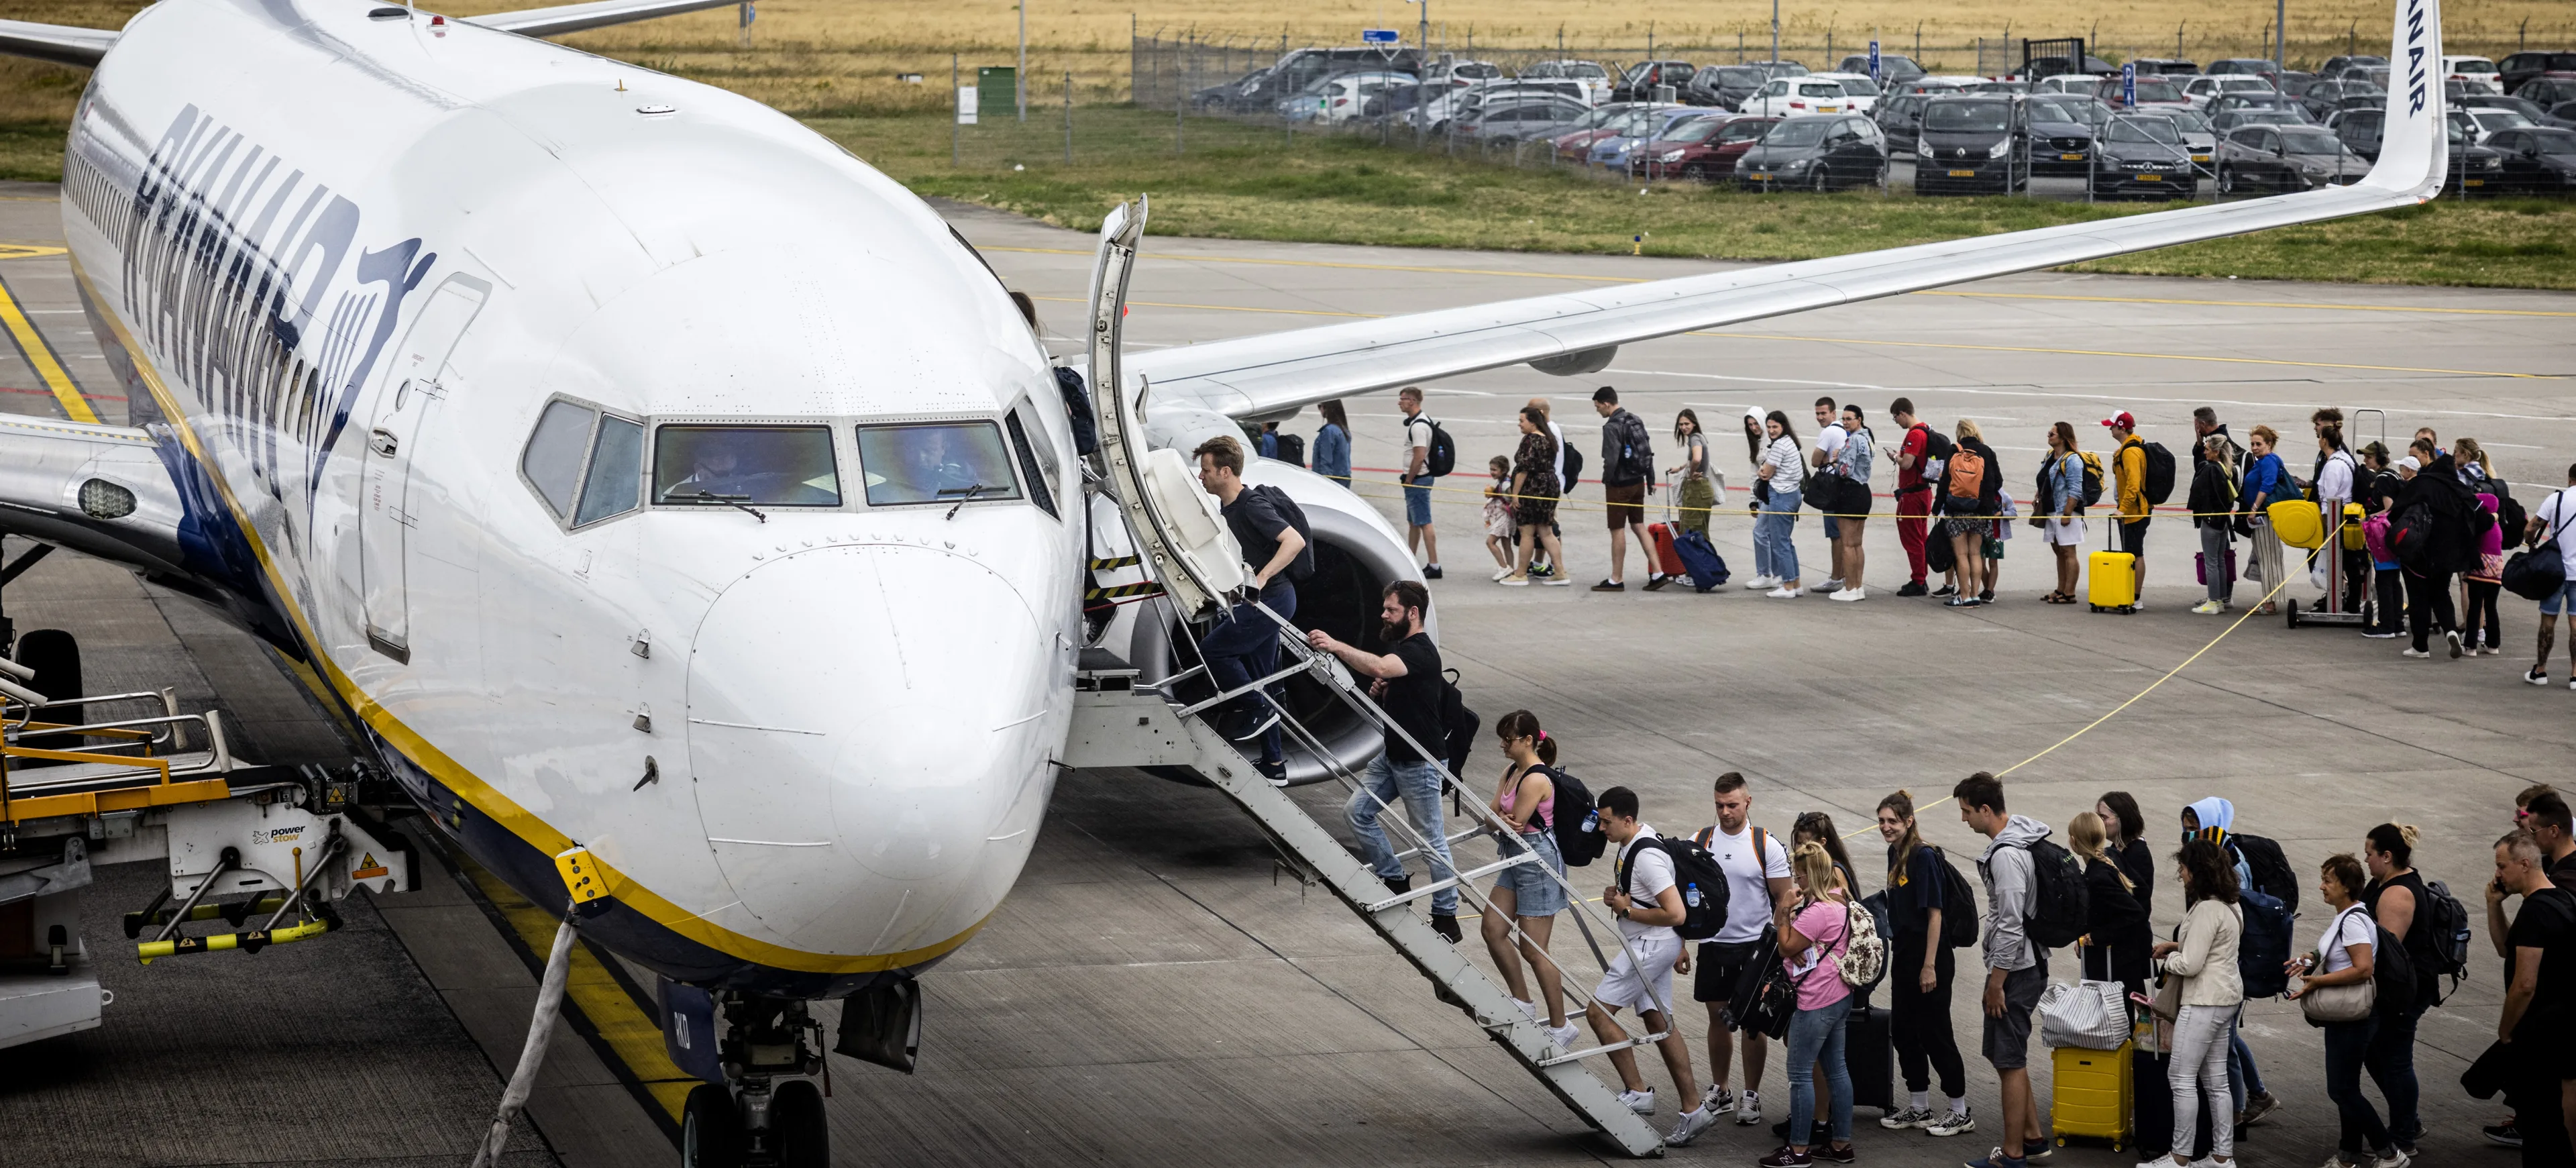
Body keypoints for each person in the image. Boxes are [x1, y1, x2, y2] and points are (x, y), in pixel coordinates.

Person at [1308, 582, 1461, 942]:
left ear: (1413, 613)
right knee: (1356, 813)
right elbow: (1405, 697)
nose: (1384, 615)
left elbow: (1378, 664)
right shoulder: (1406, 651)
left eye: (1391, 610)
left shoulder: (1421, 650)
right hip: (1393, 756)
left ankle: (1446, 914)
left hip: (1420, 762)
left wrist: (1335, 646)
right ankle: (1393, 877)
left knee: (1431, 841)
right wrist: (1385, 695)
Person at [1584, 786, 1721, 1147]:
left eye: (1607, 822)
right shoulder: (1632, 844)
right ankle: (1693, 1110)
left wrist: (1627, 911)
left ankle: (1637, 1091)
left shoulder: (1646, 857)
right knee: (1659, 1021)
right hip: (1653, 942)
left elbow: (1675, 912)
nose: (1602, 828)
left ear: (1628, 820)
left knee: (1598, 1014)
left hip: (1649, 945)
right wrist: (1622, 899)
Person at [1193, 436, 1307, 782]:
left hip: (1272, 599)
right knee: (1263, 678)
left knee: (1214, 650)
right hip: (1263, 599)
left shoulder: (1251, 505)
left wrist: (1262, 576)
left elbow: (1295, 541)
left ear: (1225, 472)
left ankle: (1257, 710)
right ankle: (1275, 765)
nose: (1201, 477)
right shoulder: (1229, 509)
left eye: (1207, 470)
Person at [2287, 853, 2408, 1168]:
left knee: (2342, 1090)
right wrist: (2310, 958)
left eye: (2328, 881)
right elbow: (2338, 954)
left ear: (2346, 886)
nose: (2321, 887)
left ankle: (2390, 1153)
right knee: (2347, 1090)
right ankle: (2349, 1155)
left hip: (2353, 1020)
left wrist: (2318, 982)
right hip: (2346, 1018)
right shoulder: (2349, 916)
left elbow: (2363, 968)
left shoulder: (2353, 920)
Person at [1956, 772, 2050, 1168]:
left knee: (2010, 1060)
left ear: (1986, 810)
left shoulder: (2007, 856)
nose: (1964, 820)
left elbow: (2011, 924)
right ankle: (2032, 1140)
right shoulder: (2019, 839)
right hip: (2024, 965)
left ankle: (2012, 1156)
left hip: (2017, 970)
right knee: (2007, 1056)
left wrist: (1997, 983)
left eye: (1966, 812)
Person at [1691, 772, 1796, 1128]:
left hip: (1755, 948)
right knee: (1718, 1022)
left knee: (1755, 1025)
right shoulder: (1700, 841)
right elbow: (1685, 897)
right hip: (1713, 945)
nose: (1725, 812)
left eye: (1732, 805)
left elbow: (1786, 900)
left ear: (1747, 802)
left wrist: (1783, 946)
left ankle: (1751, 1093)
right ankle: (1721, 1090)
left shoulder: (1765, 844)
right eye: (1719, 805)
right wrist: (1680, 942)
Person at [2140, 839, 2245, 1168]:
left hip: (2203, 1001)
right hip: (2227, 997)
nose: (2181, 873)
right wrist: (2178, 946)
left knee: (2181, 1077)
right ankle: (2221, 1156)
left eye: (2184, 867)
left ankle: (2180, 1156)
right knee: (2217, 1082)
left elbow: (2191, 965)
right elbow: (2213, 948)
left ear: (2198, 871)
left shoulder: (2205, 910)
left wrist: (2170, 960)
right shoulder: (2231, 906)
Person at [1876, 791, 1972, 1136]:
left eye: (1893, 821)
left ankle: (1960, 1110)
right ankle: (1919, 1104)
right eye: (1883, 821)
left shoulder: (1923, 857)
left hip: (1929, 956)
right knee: (1903, 1029)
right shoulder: (1895, 853)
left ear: (1909, 821)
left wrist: (1929, 965)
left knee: (1935, 1031)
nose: (1886, 827)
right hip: (1904, 954)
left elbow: (1935, 915)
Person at [1758, 841, 1859, 1168]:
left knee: (1800, 1075)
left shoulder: (1817, 911)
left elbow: (1785, 946)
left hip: (1815, 1002)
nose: (1795, 881)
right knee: (1837, 1070)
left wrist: (1786, 908)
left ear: (1810, 874)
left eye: (1798, 875)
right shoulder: (1839, 902)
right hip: (1840, 995)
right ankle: (1841, 1144)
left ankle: (1798, 1150)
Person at [1481, 711, 1577, 1049]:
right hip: (1515, 855)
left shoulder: (1536, 778)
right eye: (1502, 738)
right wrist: (1501, 820)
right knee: (1492, 928)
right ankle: (1522, 1000)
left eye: (1508, 739)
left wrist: (1502, 820)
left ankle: (1561, 1025)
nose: (1503, 745)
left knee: (1534, 950)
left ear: (1527, 741)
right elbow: (1491, 816)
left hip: (1537, 861)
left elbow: (1512, 821)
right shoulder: (1511, 771)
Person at [2492, 829, 2576, 1167]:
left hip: (2540, 1032)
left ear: (2524, 864)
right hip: (2564, 1026)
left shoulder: (2534, 913)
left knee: (2541, 1124)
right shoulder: (2563, 900)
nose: (2497, 874)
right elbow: (2505, 948)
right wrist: (2492, 904)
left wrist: (2506, 1030)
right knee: (2553, 1119)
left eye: (2502, 866)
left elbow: (2524, 985)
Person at [2362, 824, 2432, 1157]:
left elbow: (2385, 953)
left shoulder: (2397, 894)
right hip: (2397, 990)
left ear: (2387, 857)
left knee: (2396, 1060)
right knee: (2376, 1053)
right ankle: (2409, 1118)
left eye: (2370, 854)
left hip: (2405, 992)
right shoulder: (2381, 883)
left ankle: (2404, 1135)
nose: (2365, 860)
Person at [2390, 437, 2479, 659]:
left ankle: (2421, 646)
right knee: (2441, 593)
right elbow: (2478, 517)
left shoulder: (2421, 484)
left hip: (2419, 552)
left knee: (2419, 597)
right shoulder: (2459, 490)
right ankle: (2451, 630)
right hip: (2447, 556)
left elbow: (2396, 513)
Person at [2071, 810, 2149, 1002]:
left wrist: (2097, 936)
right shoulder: (2112, 856)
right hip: (2128, 957)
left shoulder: (2098, 877)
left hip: (2113, 964)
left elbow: (2134, 913)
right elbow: (2142, 891)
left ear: (2074, 842)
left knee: (2114, 1023)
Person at [1593, 386, 1663, 592]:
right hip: (1638, 482)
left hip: (1620, 485)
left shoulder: (1611, 428)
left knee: (1617, 530)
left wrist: (1607, 480)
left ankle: (1616, 578)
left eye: (1598, 407)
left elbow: (1611, 459)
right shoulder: (1635, 419)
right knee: (1639, 525)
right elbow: (1647, 451)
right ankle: (1658, 572)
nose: (1598, 411)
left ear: (1607, 404)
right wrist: (1650, 479)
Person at [1503, 407, 1570, 588]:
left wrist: (1515, 494)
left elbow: (1524, 469)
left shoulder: (1531, 440)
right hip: (1549, 485)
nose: (1519, 424)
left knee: (1527, 531)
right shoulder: (1548, 438)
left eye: (1522, 420)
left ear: (1532, 422)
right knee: (1546, 531)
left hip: (1532, 488)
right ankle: (1560, 572)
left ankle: (1520, 573)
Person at [1943, 421, 2003, 608]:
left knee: (1961, 554)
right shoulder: (1986, 451)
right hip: (1980, 510)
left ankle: (1964, 595)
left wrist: (1938, 507)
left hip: (1957, 509)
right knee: (1975, 553)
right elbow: (1998, 482)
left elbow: (1945, 481)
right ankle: (1976, 595)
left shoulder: (1955, 450)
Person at [2526, 462, 2576, 688]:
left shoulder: (2556, 500)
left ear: (2569, 479)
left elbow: (2530, 528)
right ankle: (2575, 675)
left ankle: (2541, 670)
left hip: (2555, 571)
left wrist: (2531, 544)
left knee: (2548, 621)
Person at [1752, 411, 1807, 598]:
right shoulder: (1791, 442)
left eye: (1775, 427)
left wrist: (1762, 471)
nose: (1771, 430)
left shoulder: (1779, 446)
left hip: (1781, 497)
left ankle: (1788, 586)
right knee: (1786, 541)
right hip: (1793, 494)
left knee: (1779, 542)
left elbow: (1766, 473)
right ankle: (1795, 582)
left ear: (1783, 426)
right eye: (1769, 427)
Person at [2240, 425, 2292, 618]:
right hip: (2264, 516)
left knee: (2268, 558)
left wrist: (2254, 509)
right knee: (2268, 557)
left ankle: (2270, 603)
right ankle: (2270, 599)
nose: (2254, 447)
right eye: (2252, 444)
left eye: (2258, 444)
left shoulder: (2269, 461)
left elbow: (2267, 485)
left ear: (2269, 444)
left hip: (2265, 516)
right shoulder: (2264, 460)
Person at [2317, 425, 2369, 617]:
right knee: (2350, 561)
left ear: (2324, 441)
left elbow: (2330, 498)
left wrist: (2325, 521)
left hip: (2337, 516)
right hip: (2349, 514)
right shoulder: (2346, 459)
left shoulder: (2332, 466)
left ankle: (2346, 602)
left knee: (2343, 560)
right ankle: (2351, 600)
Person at [2187, 433, 2240, 615]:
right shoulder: (2227, 469)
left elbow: (2198, 492)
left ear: (2216, 452)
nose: (2205, 451)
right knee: (2219, 561)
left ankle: (2214, 601)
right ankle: (2221, 598)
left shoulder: (2210, 469)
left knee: (2211, 562)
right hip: (2223, 520)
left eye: (2208, 449)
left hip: (2210, 520)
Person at [1890, 397, 1937, 596]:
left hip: (1912, 495)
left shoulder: (1915, 435)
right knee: (1920, 537)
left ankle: (1918, 580)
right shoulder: (1926, 429)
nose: (1897, 422)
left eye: (1895, 418)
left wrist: (1894, 457)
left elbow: (1907, 463)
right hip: (1923, 492)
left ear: (1902, 414)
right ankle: (1921, 577)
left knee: (1912, 539)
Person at [1396, 387, 1442, 579]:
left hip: (1418, 479)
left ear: (1413, 401)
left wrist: (1409, 478)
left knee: (1424, 522)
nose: (1400, 402)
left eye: (1403, 399)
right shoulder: (1419, 422)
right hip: (1418, 478)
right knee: (1414, 522)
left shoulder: (1418, 426)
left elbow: (1419, 455)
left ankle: (1434, 565)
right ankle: (1411, 558)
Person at [2107, 411, 2152, 604]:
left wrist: (2122, 509)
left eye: (2112, 426)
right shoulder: (2126, 449)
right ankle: (2130, 593)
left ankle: (2136, 597)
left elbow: (2133, 484)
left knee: (2135, 552)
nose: (2110, 429)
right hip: (2131, 510)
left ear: (2122, 428)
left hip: (2135, 511)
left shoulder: (2130, 452)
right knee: (2130, 552)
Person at [2039, 422, 2086, 604]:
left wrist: (2067, 513)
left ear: (2063, 437)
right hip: (2052, 510)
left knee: (2069, 552)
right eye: (2049, 432)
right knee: (2058, 551)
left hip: (2065, 511)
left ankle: (2070, 593)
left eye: (2053, 433)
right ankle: (2060, 589)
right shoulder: (2051, 456)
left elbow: (2075, 489)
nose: (2049, 435)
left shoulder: (2072, 459)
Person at [2361, 444, 2404, 637]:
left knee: (2384, 582)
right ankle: (2398, 624)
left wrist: (2368, 519)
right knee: (2394, 581)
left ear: (2379, 458)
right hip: (2398, 534)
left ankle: (2386, 626)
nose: (2365, 460)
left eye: (2369, 457)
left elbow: (2390, 508)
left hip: (2384, 536)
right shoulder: (2395, 475)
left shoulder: (2382, 479)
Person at [1526, 397, 1571, 580]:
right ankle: (1538, 563)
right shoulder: (1551, 428)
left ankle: (1555, 566)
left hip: (1549, 486)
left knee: (1551, 528)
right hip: (1553, 483)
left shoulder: (1546, 432)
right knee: (1543, 527)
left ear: (1541, 413)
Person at [1810, 397, 1848, 592]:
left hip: (1832, 487)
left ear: (1834, 413)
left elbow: (1815, 461)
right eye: (1817, 413)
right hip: (1845, 485)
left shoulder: (1829, 431)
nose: (1820, 417)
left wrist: (1823, 457)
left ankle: (1836, 578)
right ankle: (1843, 576)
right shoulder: (1842, 430)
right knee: (1845, 535)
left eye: (1823, 413)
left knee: (1836, 535)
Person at [2098, 792, 2156, 917]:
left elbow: (2138, 900)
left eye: (2104, 817)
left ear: (2123, 820)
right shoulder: (2115, 849)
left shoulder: (2137, 854)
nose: (2099, 822)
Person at [1669, 408, 1719, 540]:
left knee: (1694, 532)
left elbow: (1697, 459)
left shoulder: (1695, 438)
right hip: (1702, 490)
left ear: (1694, 424)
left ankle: (1704, 560)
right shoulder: (1699, 437)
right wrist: (1680, 468)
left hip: (1698, 489)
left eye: (1687, 424)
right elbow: (1693, 461)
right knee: (1699, 530)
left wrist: (1691, 475)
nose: (1684, 427)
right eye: (1681, 425)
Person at [2467, 490, 2506, 655]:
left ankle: (2470, 646)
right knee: (2491, 607)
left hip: (2481, 566)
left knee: (2475, 606)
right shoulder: (2497, 527)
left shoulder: (2483, 523)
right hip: (2497, 569)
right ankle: (2493, 644)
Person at [1481, 456, 1519, 580]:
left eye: (1495, 470)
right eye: (1491, 469)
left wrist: (1508, 505)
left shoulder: (1506, 484)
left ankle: (1504, 568)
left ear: (1503, 470)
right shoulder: (1503, 481)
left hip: (1505, 518)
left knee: (1490, 542)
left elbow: (1514, 496)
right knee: (1506, 544)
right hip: (1506, 517)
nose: (1492, 472)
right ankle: (1511, 569)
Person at [2528, 792, 2576, 890]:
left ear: (2554, 832)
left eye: (2533, 831)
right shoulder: (2549, 862)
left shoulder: (2566, 880)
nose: (2530, 837)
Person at [1312, 400, 1352, 485]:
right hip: (1344, 477)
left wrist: (1324, 482)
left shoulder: (1329, 431)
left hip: (1333, 480)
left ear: (1327, 409)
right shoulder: (1343, 429)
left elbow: (1326, 461)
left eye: (1320, 406)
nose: (1320, 410)